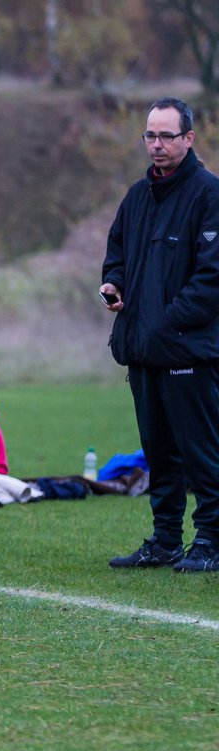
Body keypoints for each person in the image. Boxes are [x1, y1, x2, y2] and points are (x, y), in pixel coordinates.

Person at [102, 97, 219, 572]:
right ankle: (166, 539)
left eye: (166, 136)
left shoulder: (209, 195)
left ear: (189, 138)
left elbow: (212, 280)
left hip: (187, 349)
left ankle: (211, 539)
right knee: (159, 455)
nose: (156, 145)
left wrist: (164, 320)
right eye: (150, 135)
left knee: (202, 453)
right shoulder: (137, 196)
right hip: (144, 351)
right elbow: (117, 256)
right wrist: (114, 285)